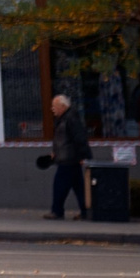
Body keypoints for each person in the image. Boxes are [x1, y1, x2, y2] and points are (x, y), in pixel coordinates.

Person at [47, 91, 91, 220]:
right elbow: (63, 139)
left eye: (54, 106)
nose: (52, 109)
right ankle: (86, 211)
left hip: (69, 159)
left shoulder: (70, 119)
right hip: (69, 158)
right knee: (79, 187)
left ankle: (57, 211)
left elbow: (79, 138)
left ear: (62, 106)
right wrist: (56, 152)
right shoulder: (65, 119)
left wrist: (84, 156)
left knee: (59, 185)